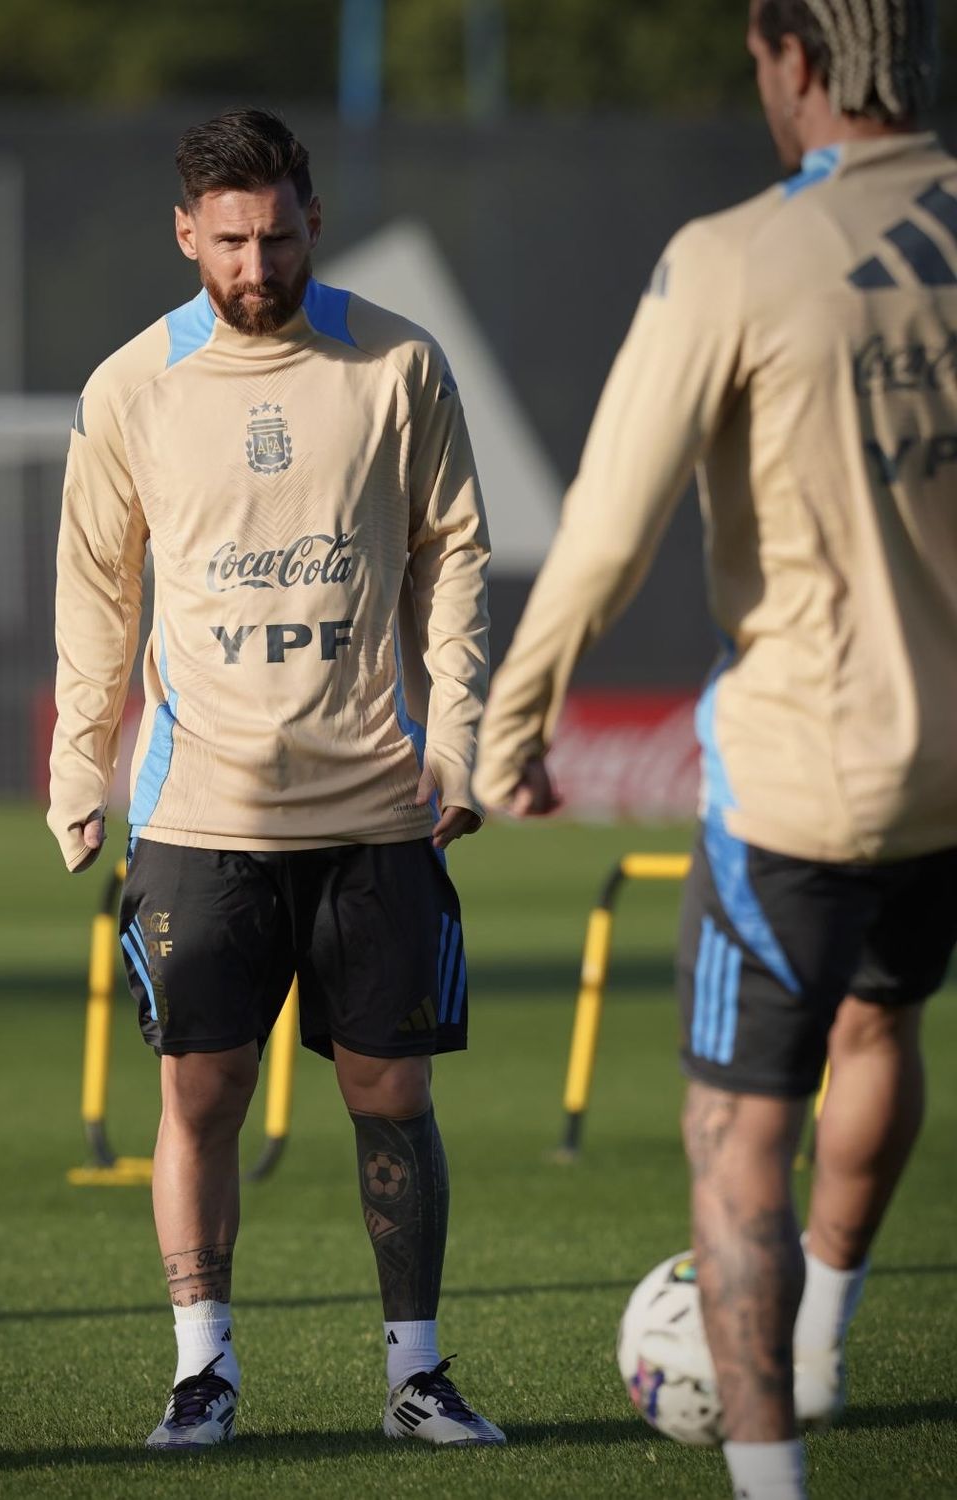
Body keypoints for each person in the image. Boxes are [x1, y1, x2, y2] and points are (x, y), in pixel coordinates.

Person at [475, 3, 954, 1495]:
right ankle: (822, 1340)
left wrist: (513, 726)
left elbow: (606, 529)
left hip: (807, 774)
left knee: (737, 1129)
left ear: (794, 56)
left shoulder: (734, 256)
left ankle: (769, 1480)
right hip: (952, 774)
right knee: (885, 1028)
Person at [47, 107, 503, 1452]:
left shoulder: (398, 365)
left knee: (394, 1097)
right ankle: (205, 1372)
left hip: (374, 806)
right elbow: (95, 592)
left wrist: (461, 737)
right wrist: (83, 765)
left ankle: (416, 1375)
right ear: (188, 231)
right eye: (230, 241)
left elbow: (457, 559)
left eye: (279, 235)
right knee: (201, 1095)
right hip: (201, 812)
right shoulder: (131, 386)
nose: (257, 266)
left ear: (314, 214)